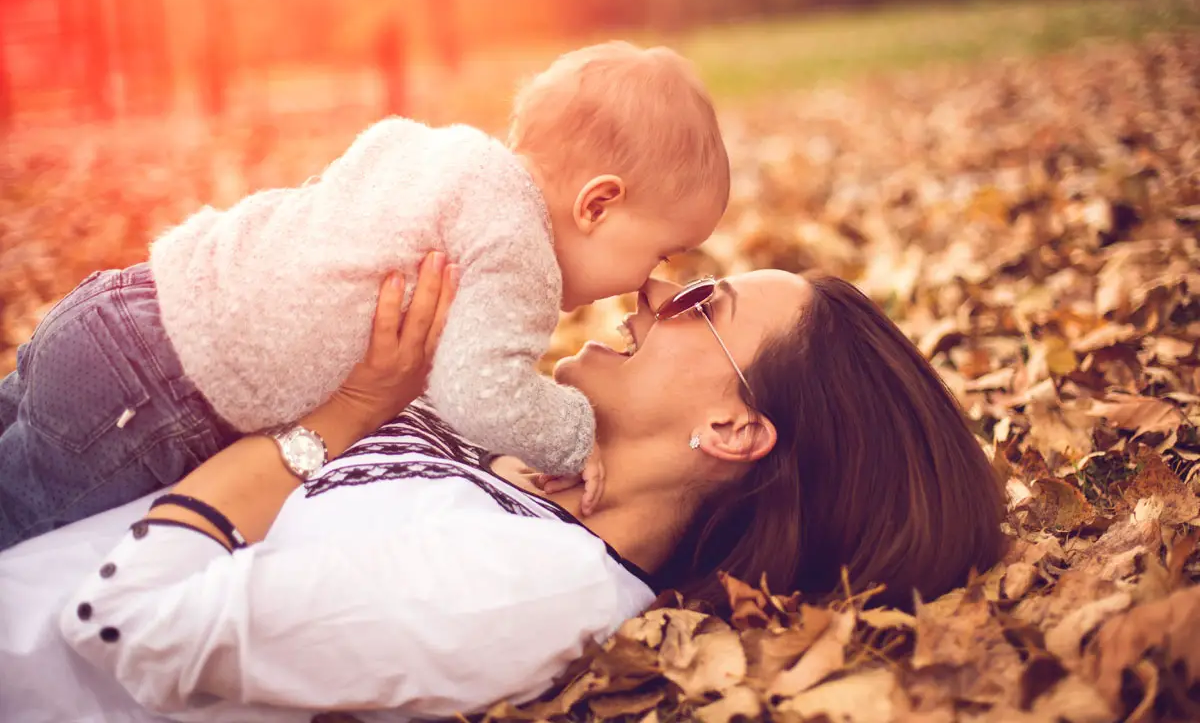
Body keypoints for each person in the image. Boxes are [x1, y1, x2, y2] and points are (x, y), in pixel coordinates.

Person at [0, 261, 1005, 722]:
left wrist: (343, 416)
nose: (657, 286)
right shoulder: (533, 486)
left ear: (734, 430)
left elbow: (128, 622)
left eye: (704, 300)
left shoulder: (535, 588)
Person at [0, 41, 731, 550]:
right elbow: (479, 392)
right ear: (598, 205)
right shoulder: (522, 254)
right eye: (658, 252)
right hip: (163, 395)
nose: (650, 281)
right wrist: (575, 432)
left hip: (125, 304)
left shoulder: (444, 154)